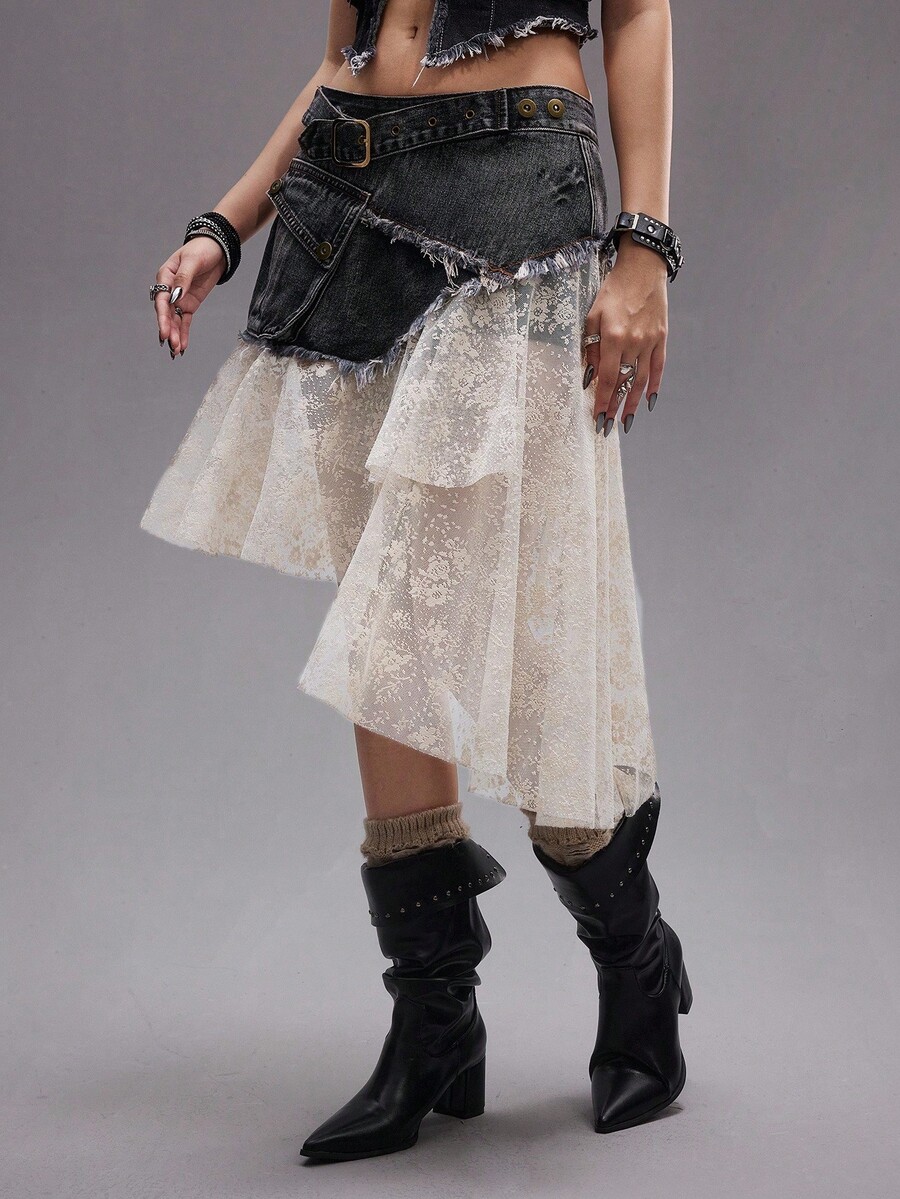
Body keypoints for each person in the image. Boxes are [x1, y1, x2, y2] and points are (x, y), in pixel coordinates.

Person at [141, 0, 690, 1162]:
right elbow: (341, 57)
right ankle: (434, 1017)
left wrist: (644, 244)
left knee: (530, 641)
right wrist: (227, 222)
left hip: (513, 191)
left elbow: (640, 8)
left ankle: (633, 949)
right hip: (343, 209)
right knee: (387, 637)